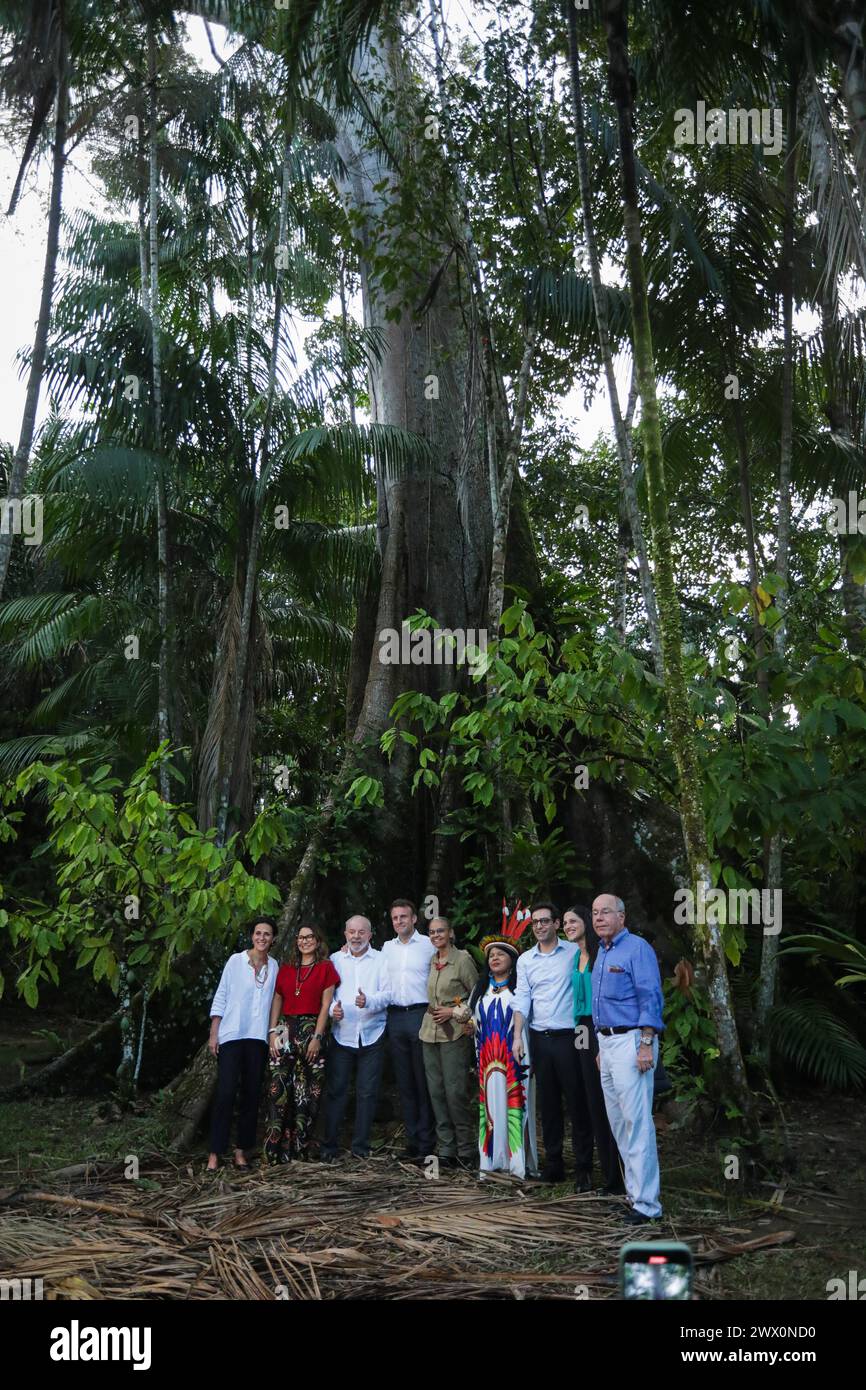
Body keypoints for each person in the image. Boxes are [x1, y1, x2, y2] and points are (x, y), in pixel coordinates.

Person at [591, 892, 664, 1224]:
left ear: (622, 916)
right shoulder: (602, 953)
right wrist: (599, 1047)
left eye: (606, 912)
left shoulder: (637, 948)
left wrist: (646, 1042)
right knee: (619, 1123)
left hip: (633, 1040)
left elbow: (650, 995)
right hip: (607, 1045)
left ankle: (648, 1205)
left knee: (637, 1124)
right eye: (595, 913)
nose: (599, 918)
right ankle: (635, 1196)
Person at [513, 901, 594, 1190]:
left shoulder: (573, 951)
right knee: (547, 1105)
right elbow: (522, 999)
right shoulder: (525, 960)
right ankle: (555, 1163)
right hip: (539, 1037)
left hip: (571, 1038)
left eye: (545, 921)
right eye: (535, 922)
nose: (539, 926)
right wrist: (517, 1037)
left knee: (577, 1102)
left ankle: (584, 1166)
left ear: (557, 924)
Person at [471, 903, 538, 1179]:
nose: (494, 958)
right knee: (488, 1109)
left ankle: (517, 1164)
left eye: (500, 954)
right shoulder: (480, 989)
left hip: (515, 1058)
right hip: (486, 1059)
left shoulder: (520, 988)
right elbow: (475, 1024)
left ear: (513, 959)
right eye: (491, 955)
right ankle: (490, 1162)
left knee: (514, 1105)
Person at [207, 918, 279, 1171]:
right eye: (258, 933)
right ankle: (215, 1153)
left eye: (267, 934)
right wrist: (214, 1032)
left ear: (272, 939)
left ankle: (240, 1152)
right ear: (252, 936)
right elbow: (222, 994)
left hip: (257, 1037)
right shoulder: (235, 961)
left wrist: (273, 1034)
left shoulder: (275, 966)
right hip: (232, 1034)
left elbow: (276, 1004)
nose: (262, 938)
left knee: (251, 1095)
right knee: (226, 1094)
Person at [264, 923, 338, 1163]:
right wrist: (273, 1031)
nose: (304, 941)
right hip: (285, 1029)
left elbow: (326, 1005)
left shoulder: (326, 968)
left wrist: (317, 1036)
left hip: (311, 1030)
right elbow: (277, 998)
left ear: (317, 941)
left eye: (309, 937)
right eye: (300, 937)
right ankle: (275, 1150)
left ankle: (298, 1149)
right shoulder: (286, 969)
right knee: (279, 1090)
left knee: (306, 1094)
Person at [564, 904, 625, 1195]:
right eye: (564, 923)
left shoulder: (601, 955)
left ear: (587, 922)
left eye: (573, 921)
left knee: (604, 1101)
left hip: (600, 1028)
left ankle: (616, 1175)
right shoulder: (575, 956)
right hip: (580, 1030)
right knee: (584, 1099)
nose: (568, 926)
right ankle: (589, 1171)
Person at [321, 915, 392, 1161]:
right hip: (343, 1034)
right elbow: (327, 997)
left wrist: (369, 1001)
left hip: (373, 1034)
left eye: (361, 932)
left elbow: (388, 994)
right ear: (345, 934)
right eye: (352, 932)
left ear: (370, 935)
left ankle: (361, 1147)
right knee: (336, 1091)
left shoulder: (382, 959)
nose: (356, 936)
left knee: (367, 1092)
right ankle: (329, 1147)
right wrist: (332, 1011)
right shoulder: (335, 959)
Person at [419, 917, 479, 1170]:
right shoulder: (432, 960)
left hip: (454, 1032)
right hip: (429, 1032)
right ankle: (446, 1148)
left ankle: (466, 1148)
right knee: (437, 1092)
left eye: (440, 931)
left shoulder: (462, 959)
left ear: (451, 933)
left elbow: (477, 994)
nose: (436, 935)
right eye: (432, 932)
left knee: (456, 1092)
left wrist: (455, 1012)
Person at [381, 898, 436, 1161]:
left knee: (422, 1080)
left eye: (404, 917)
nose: (399, 921)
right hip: (394, 1017)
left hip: (421, 1015)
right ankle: (412, 1141)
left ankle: (428, 1143)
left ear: (414, 919)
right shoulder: (386, 949)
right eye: (395, 918)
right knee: (404, 1083)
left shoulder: (428, 945)